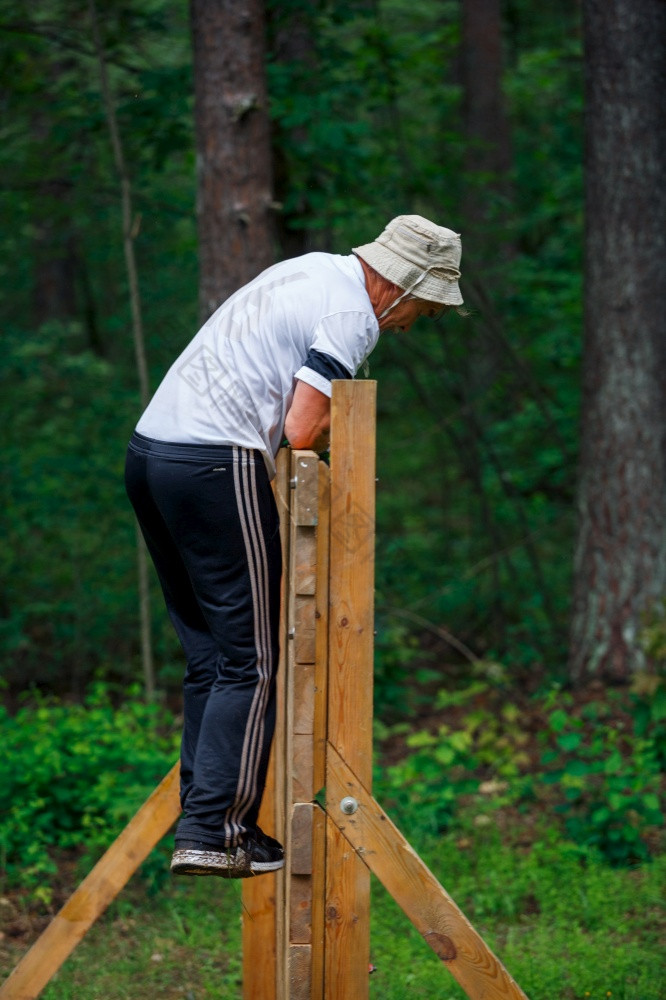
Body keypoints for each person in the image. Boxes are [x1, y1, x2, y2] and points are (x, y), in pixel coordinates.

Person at [124, 215, 463, 878]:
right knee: (253, 658)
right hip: (214, 462)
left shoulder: (311, 270)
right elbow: (302, 430)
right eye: (423, 307)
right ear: (401, 285)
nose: (414, 322)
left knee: (211, 656)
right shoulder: (353, 315)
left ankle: (204, 821)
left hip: (150, 456)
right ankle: (220, 832)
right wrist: (353, 435)